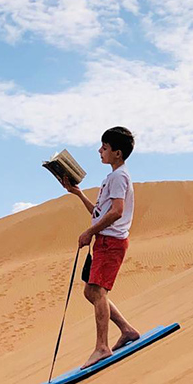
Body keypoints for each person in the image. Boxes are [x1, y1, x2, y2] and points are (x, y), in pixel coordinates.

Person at [62, 127, 140, 368]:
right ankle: (126, 329)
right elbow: (100, 213)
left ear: (117, 153)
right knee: (91, 292)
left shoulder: (119, 177)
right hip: (104, 241)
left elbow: (116, 212)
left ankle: (102, 347)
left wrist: (89, 232)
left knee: (98, 291)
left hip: (111, 242)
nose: (100, 151)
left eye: (104, 148)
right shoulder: (113, 177)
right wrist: (78, 194)